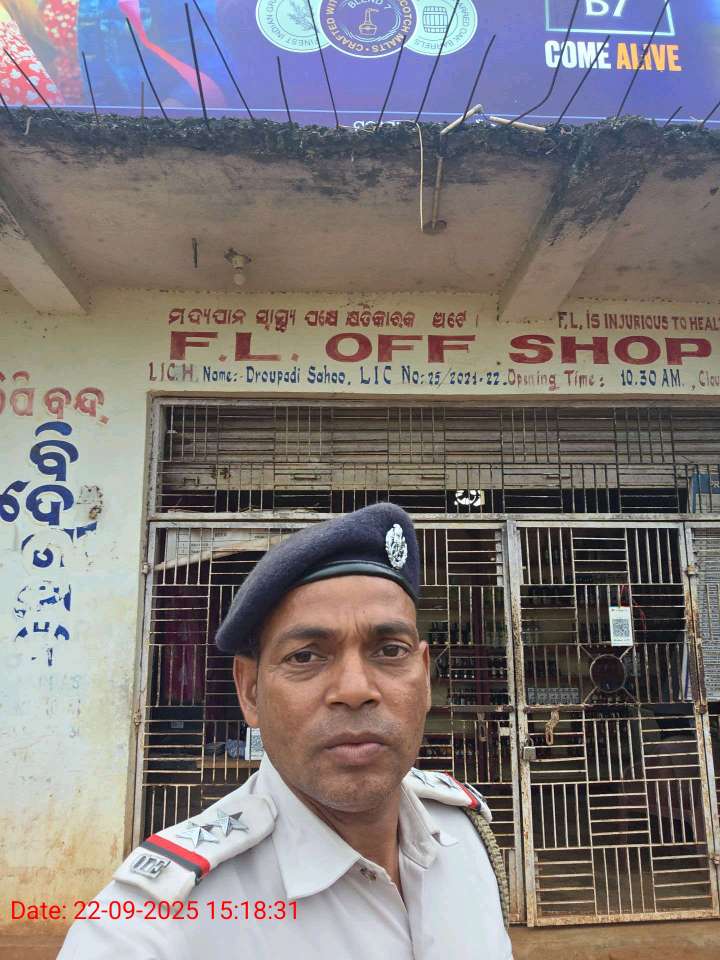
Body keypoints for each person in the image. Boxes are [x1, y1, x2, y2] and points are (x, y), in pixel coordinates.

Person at [57, 502, 513, 959]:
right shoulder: (147, 931)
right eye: (305, 656)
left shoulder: (464, 836)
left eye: (390, 650)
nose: (355, 690)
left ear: (425, 676)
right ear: (250, 691)